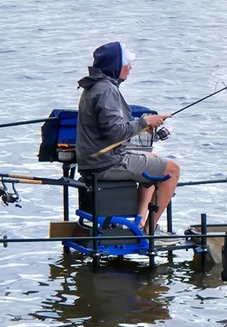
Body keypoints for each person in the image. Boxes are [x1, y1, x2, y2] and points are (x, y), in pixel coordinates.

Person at [75, 41, 180, 235]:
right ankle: (150, 231)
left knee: (153, 158)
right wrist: (144, 122)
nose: (130, 67)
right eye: (127, 63)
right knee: (172, 169)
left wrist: (143, 124)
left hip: (94, 161)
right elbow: (116, 132)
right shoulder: (106, 90)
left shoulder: (95, 86)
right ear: (115, 65)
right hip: (106, 164)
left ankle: (140, 222)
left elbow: (110, 129)